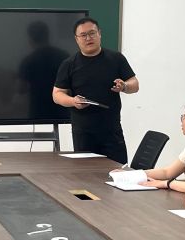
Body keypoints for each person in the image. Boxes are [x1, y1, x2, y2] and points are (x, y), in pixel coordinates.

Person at [52, 17, 139, 164]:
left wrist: (124, 86)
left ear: (99, 33)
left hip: (111, 130)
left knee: (117, 171)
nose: (88, 38)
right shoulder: (69, 64)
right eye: (83, 35)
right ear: (76, 39)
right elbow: (57, 94)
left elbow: (135, 84)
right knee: (85, 172)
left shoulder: (116, 58)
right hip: (83, 133)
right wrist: (73, 101)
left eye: (92, 33)